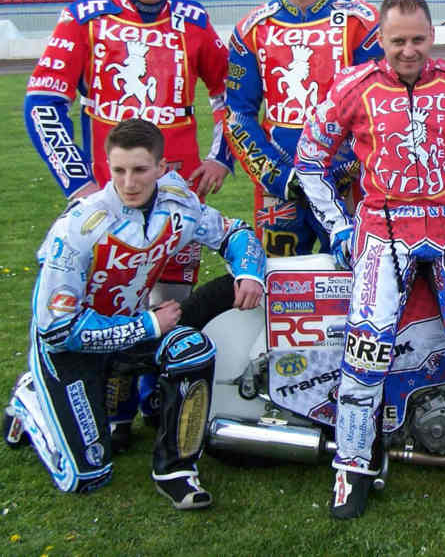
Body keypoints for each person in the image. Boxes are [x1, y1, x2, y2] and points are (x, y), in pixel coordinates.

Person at [296, 0, 445, 519]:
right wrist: (337, 226)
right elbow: (308, 161)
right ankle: (352, 466)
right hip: (383, 229)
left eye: (418, 39)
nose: (408, 50)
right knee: (366, 348)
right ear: (379, 38)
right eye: (397, 40)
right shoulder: (351, 87)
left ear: (432, 36)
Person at [22, 0, 233, 445]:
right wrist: (77, 183)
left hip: (177, 196)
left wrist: (221, 157)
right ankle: (110, 410)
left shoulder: (195, 23)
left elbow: (234, 96)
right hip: (109, 199)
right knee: (108, 306)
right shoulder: (83, 18)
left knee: (172, 302)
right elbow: (44, 102)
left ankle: (160, 400)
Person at [5, 119, 266, 510]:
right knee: (87, 475)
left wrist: (248, 273)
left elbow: (234, 232)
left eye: (140, 170)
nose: (129, 182)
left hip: (133, 329)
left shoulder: (177, 201)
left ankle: (176, 469)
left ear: (162, 169)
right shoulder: (77, 228)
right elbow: (58, 330)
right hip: (70, 349)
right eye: (119, 170)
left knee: (192, 348)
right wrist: (147, 324)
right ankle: (30, 400)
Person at [226, 0, 381, 258]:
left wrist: (346, 168)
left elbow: (379, 106)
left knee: (353, 281)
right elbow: (238, 113)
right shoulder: (252, 28)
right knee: (281, 288)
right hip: (278, 185)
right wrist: (275, 175)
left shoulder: (362, 22)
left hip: (346, 185)